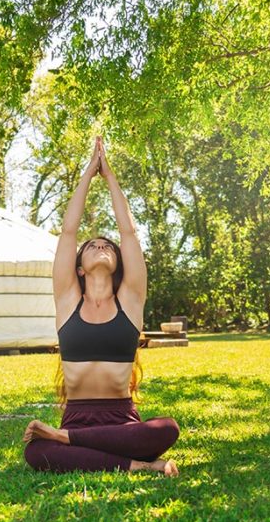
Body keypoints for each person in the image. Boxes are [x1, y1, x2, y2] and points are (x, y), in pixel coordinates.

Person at [23, 136, 180, 476]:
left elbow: (129, 233)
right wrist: (86, 174)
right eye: (91, 246)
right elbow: (68, 232)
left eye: (107, 246)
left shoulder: (130, 300)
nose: (100, 246)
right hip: (78, 414)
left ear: (118, 262)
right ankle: (137, 465)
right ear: (79, 266)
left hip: (122, 420)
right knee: (35, 453)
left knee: (168, 428)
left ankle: (68, 441)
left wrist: (109, 177)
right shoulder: (68, 301)